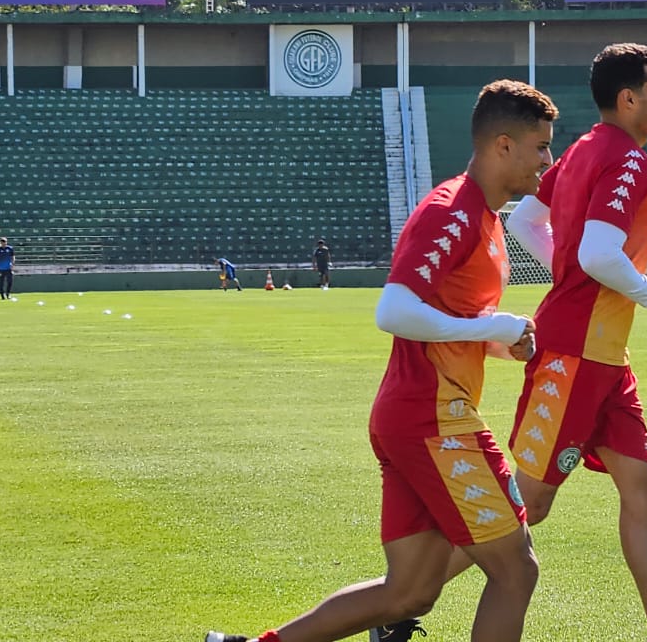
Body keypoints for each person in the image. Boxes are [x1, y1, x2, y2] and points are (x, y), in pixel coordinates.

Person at [204, 78, 558, 642]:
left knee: (409, 592)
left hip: (413, 415)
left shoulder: (486, 221)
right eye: (540, 146)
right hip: (434, 418)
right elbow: (393, 309)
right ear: (503, 146)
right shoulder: (453, 212)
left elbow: (443, 322)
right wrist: (489, 326)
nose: (549, 159)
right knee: (515, 569)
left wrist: (498, 342)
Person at [501, 42, 647, 642]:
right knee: (526, 506)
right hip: (575, 355)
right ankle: (405, 596)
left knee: (643, 489)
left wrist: (569, 272)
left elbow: (525, 223)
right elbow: (597, 254)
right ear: (627, 98)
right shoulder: (627, 161)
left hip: (603, 357)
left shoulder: (584, 149)